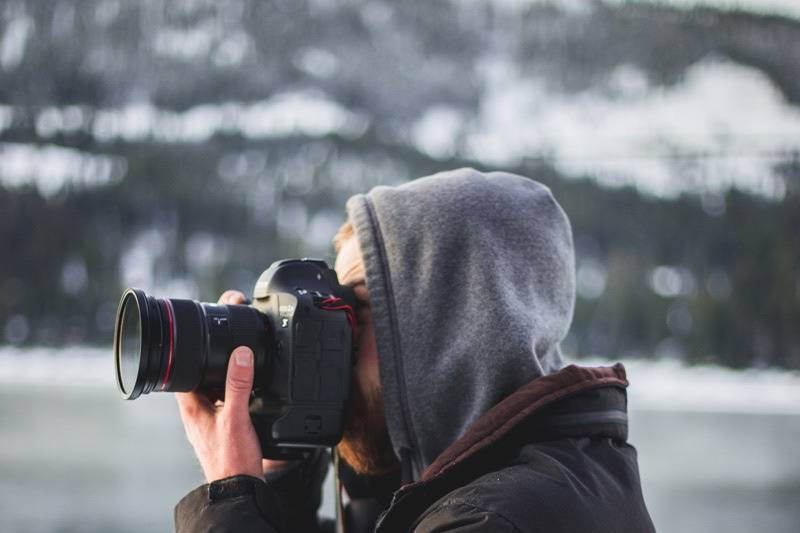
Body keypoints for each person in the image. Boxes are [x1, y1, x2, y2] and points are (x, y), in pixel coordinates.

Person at [174, 168, 655, 532]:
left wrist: (231, 500)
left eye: (357, 310)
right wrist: (278, 476)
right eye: (329, 312)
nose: (331, 342)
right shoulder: (541, 478)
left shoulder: (496, 520)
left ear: (455, 327)